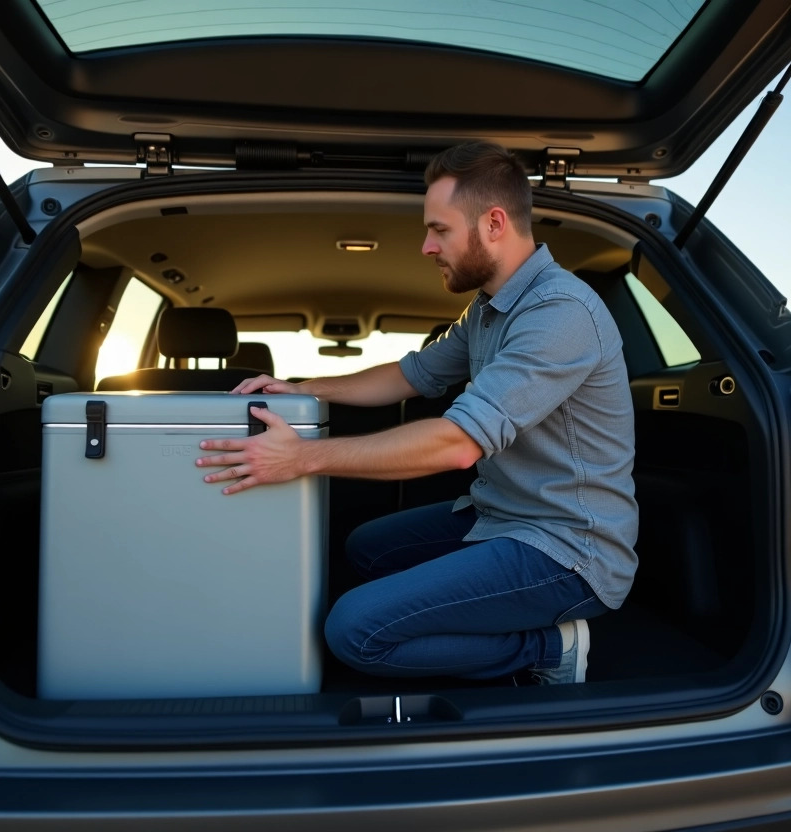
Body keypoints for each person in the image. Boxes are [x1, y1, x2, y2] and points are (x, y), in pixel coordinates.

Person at [195, 142, 638, 685]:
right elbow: (412, 374)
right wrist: (300, 386)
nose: (427, 246)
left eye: (440, 229)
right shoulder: (489, 309)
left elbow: (455, 444)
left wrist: (302, 459)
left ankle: (548, 647)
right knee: (365, 548)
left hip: (567, 551)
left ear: (494, 223)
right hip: (500, 516)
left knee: (354, 632)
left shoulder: (560, 314)